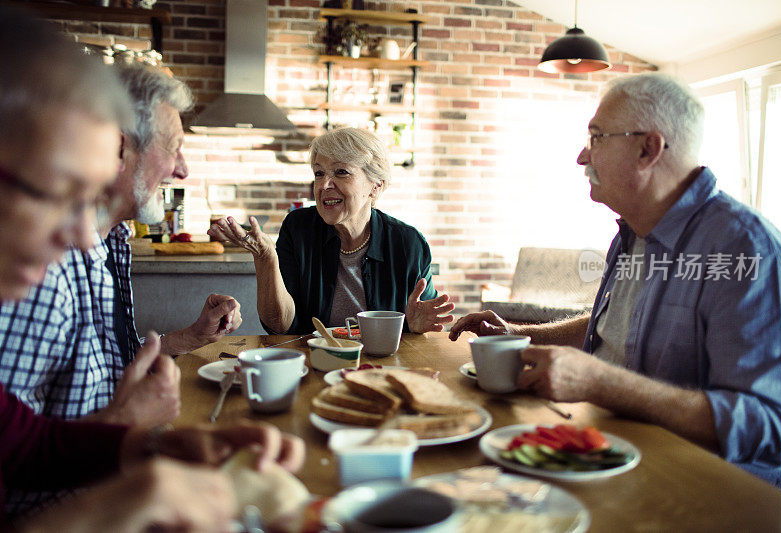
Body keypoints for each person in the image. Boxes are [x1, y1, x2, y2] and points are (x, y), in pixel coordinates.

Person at [0, 7, 304, 531]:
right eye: (59, 193)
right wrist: (117, 492)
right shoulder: (44, 273)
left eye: (87, 200)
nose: (78, 235)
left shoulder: (107, 241)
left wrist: (157, 444)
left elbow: (24, 443)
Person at [449, 73, 781, 492]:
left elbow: (779, 428)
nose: (583, 155)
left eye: (597, 137)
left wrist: (602, 383)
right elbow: (615, 326)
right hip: (621, 467)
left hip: (717, 496)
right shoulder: (631, 232)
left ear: (647, 149)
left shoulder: (749, 250)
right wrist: (520, 336)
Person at [0, 61, 242, 430]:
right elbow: (12, 448)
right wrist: (126, 427)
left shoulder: (112, 241)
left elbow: (112, 368)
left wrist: (190, 336)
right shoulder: (44, 268)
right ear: (120, 148)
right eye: (174, 147)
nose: (183, 169)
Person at [210, 127, 454, 334]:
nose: (324, 185)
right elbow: (278, 326)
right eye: (319, 173)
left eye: (341, 172)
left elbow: (423, 318)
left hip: (382, 368)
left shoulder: (408, 243)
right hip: (313, 365)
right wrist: (265, 258)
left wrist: (414, 327)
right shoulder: (298, 228)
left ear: (375, 187)